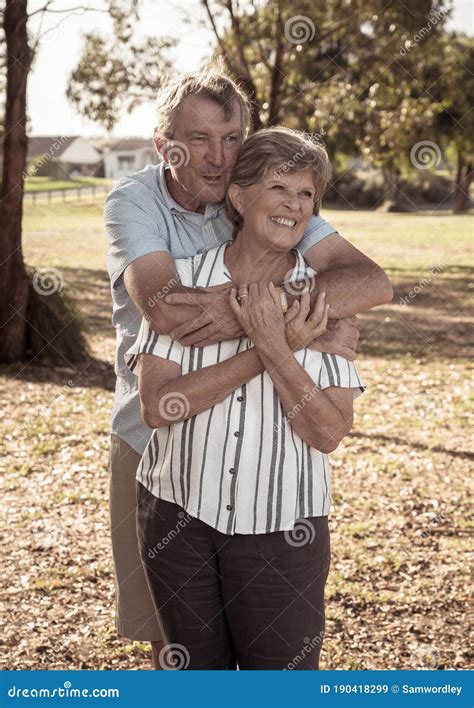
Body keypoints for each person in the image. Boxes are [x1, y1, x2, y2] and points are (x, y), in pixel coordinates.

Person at [104, 64, 392, 669]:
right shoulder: (136, 202)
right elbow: (164, 309)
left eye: (231, 137)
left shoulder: (273, 193)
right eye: (200, 139)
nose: (218, 156)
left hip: (274, 495)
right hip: (156, 450)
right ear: (165, 146)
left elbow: (369, 281)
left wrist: (282, 311)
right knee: (177, 652)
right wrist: (277, 331)